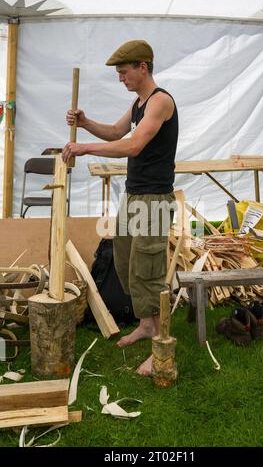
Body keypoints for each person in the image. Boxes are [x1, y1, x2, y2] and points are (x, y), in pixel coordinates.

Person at [63, 40, 179, 376]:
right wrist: (85, 122)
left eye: (124, 72)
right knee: (127, 263)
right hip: (133, 195)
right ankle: (146, 325)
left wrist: (85, 148)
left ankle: (162, 342)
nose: (120, 78)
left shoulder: (160, 102)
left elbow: (134, 144)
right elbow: (117, 131)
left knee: (150, 271)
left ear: (143, 67)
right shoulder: (139, 102)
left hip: (154, 200)